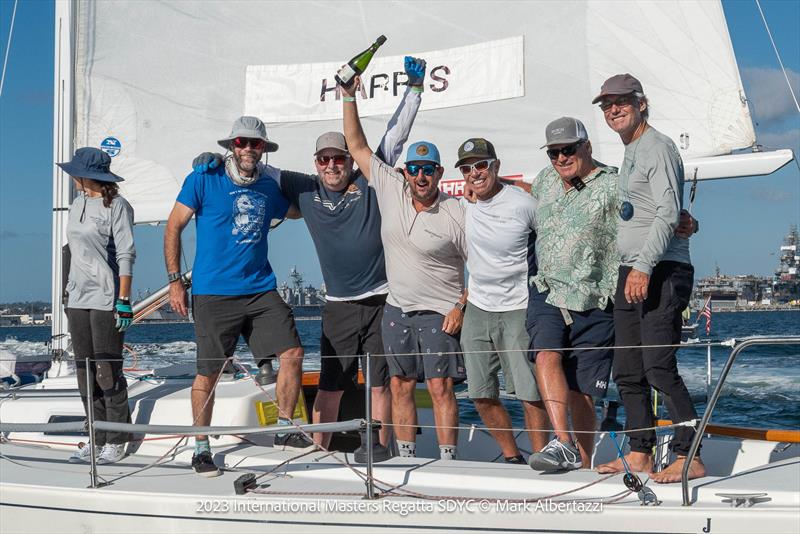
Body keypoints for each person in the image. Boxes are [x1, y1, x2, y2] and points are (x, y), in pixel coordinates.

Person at [191, 57, 426, 449]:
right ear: (315, 165)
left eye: (339, 158)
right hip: (338, 305)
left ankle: (383, 451)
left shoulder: (373, 179)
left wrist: (414, 90)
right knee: (332, 386)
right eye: (324, 160)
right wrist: (216, 159)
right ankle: (319, 452)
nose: (332, 165)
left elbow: (395, 135)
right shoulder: (303, 188)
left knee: (381, 384)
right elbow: (255, 164)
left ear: (350, 161)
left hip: (383, 299)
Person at [165, 116, 310, 478]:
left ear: (263, 149)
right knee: (209, 373)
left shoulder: (267, 186)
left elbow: (295, 210)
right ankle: (201, 447)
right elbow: (174, 226)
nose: (248, 148)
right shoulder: (203, 177)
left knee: (292, 353)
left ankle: (286, 429)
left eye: (256, 144)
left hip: (260, 289)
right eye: (242, 142)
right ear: (231, 145)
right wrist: (174, 281)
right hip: (214, 292)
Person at [342, 76, 466, 461]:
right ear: (406, 171)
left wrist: (461, 306)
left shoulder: (456, 212)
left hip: (440, 315)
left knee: (441, 386)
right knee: (398, 384)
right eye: (414, 169)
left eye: (428, 169)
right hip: (397, 311)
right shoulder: (391, 187)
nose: (421, 177)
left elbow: (482, 264)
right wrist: (348, 97)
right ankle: (407, 457)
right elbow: (357, 146)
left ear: (440, 173)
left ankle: (448, 462)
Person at [592, 74, 705, 483]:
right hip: (633, 269)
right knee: (628, 368)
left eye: (621, 101)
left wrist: (642, 266)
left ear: (642, 103)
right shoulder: (632, 151)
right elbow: (656, 210)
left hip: (659, 269)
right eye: (606, 104)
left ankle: (689, 454)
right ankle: (639, 453)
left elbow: (667, 212)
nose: (613, 109)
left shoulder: (657, 147)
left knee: (658, 367)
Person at [524, 118, 618, 472]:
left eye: (568, 149)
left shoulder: (613, 185)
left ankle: (582, 461)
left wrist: (685, 223)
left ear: (587, 147)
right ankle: (562, 442)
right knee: (545, 355)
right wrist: (488, 188)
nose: (561, 158)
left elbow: (647, 214)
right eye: (554, 152)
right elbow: (523, 193)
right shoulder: (546, 180)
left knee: (581, 389)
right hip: (548, 290)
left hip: (594, 297)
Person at [457, 138, 549, 464]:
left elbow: (553, 235)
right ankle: (512, 457)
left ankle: (542, 458)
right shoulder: (463, 206)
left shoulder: (524, 203)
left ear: (495, 165)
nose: (474, 173)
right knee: (480, 393)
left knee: (530, 393)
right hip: (479, 308)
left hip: (519, 307)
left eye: (481, 165)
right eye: (467, 168)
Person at [58, 147, 135, 465]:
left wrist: (124, 302)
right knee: (83, 372)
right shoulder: (77, 203)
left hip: (106, 300)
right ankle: (96, 436)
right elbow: (72, 250)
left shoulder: (118, 206)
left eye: (76, 172)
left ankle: (117, 438)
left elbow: (126, 254)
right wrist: (66, 293)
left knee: (107, 371)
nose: (72, 176)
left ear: (87, 175)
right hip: (77, 299)